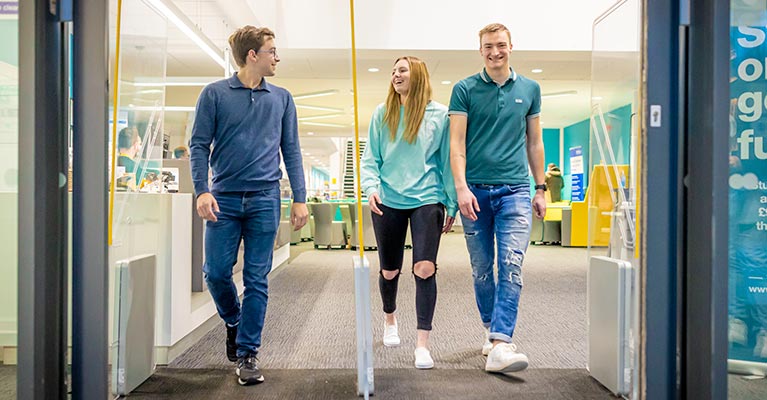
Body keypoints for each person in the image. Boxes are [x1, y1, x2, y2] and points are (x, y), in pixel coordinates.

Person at [189, 25, 308, 386]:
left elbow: (291, 150)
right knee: (216, 272)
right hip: (223, 198)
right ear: (252, 55)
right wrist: (201, 190)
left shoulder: (282, 98)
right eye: (272, 50)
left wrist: (300, 197)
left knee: (257, 279)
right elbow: (198, 145)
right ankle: (233, 320)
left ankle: (247, 353)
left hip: (264, 198)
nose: (277, 57)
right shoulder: (214, 95)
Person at [448, 23, 546, 374]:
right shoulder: (465, 89)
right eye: (488, 47)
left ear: (511, 46)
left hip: (516, 191)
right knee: (481, 271)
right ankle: (492, 332)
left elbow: (534, 142)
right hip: (474, 191)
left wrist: (540, 187)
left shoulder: (530, 89)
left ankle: (502, 340)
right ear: (480, 50)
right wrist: (460, 188)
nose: (495, 52)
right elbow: (456, 143)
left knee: (512, 263)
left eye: (500, 45)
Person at [361, 56, 457, 370]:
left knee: (425, 268)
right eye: (393, 71)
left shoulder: (439, 115)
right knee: (390, 270)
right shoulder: (382, 113)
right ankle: (390, 320)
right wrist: (370, 187)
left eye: (402, 70)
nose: (395, 75)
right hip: (388, 200)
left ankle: (422, 345)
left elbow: (446, 161)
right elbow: (370, 158)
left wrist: (451, 201)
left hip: (428, 198)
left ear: (417, 75)